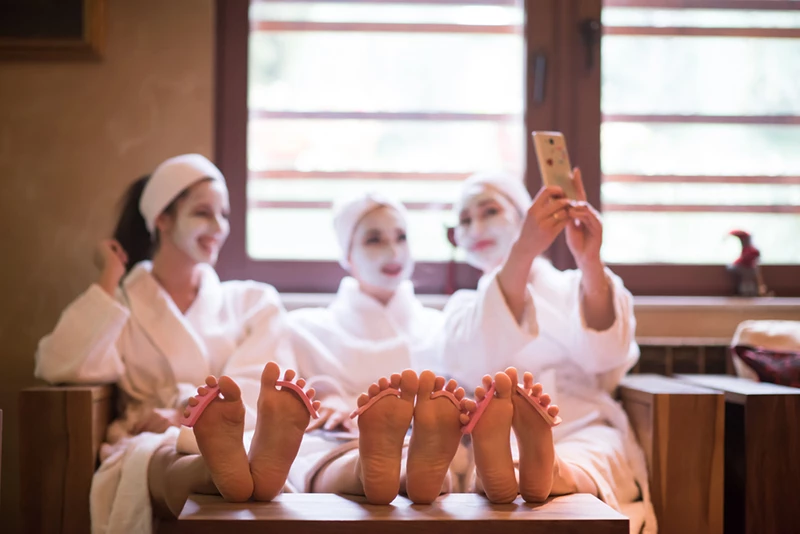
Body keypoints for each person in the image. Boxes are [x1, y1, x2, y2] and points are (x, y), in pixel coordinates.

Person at [34, 154, 307, 533]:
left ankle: (231, 462)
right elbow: (61, 363)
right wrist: (110, 278)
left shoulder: (252, 302)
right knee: (164, 455)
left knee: (220, 448)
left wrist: (186, 410)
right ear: (161, 219)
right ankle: (222, 470)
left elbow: (258, 384)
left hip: (243, 433)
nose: (219, 227)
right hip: (152, 437)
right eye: (203, 213)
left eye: (223, 214)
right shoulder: (122, 306)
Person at [442, 169, 655, 533]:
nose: (476, 228)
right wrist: (523, 251)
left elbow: (607, 356)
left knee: (594, 449)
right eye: (464, 220)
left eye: (489, 211)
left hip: (577, 420)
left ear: (524, 215)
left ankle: (555, 470)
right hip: (496, 429)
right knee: (487, 457)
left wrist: (589, 261)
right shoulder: (464, 306)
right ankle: (520, 468)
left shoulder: (579, 284)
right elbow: (475, 360)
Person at [286, 192, 463, 503]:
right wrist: (327, 403)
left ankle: (418, 467)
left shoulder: (443, 328)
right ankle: (375, 466)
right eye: (374, 240)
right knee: (314, 450)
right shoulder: (307, 329)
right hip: (343, 440)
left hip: (429, 438)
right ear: (347, 254)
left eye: (401, 237)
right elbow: (299, 399)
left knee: (456, 451)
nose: (393, 252)